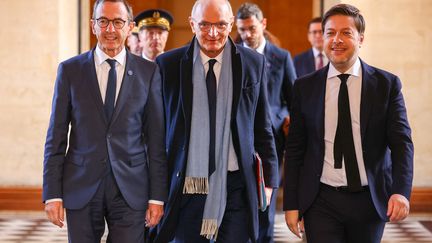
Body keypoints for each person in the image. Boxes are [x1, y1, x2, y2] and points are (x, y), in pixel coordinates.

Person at [284, 4, 414, 243]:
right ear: (322, 38)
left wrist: (401, 192)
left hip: (369, 200)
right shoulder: (305, 87)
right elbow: (295, 150)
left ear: (361, 38)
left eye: (346, 33)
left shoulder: (386, 85)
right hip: (321, 199)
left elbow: (402, 144)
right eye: (330, 33)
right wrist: (291, 203)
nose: (337, 40)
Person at [153, 0, 278, 242]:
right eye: (204, 25)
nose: (213, 33)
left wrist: (270, 180)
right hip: (187, 186)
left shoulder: (254, 63)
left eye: (221, 25)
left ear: (231, 24)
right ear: (192, 25)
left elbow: (263, 127)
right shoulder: (168, 65)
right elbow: (157, 134)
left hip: (237, 186)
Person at [42, 0, 168, 242]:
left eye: (118, 22)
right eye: (103, 21)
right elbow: (56, 136)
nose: (110, 29)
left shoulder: (148, 73)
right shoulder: (70, 71)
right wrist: (52, 193)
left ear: (129, 26)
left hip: (131, 189)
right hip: (82, 186)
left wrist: (157, 196)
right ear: (93, 26)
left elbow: (156, 140)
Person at [235, 2, 296, 243]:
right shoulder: (233, 54)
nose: (247, 34)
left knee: (267, 194)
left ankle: (264, 238)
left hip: (271, 138)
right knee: (240, 194)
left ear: (263, 24)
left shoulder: (280, 57)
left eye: (251, 28)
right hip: (239, 136)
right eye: (241, 30)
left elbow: (293, 99)